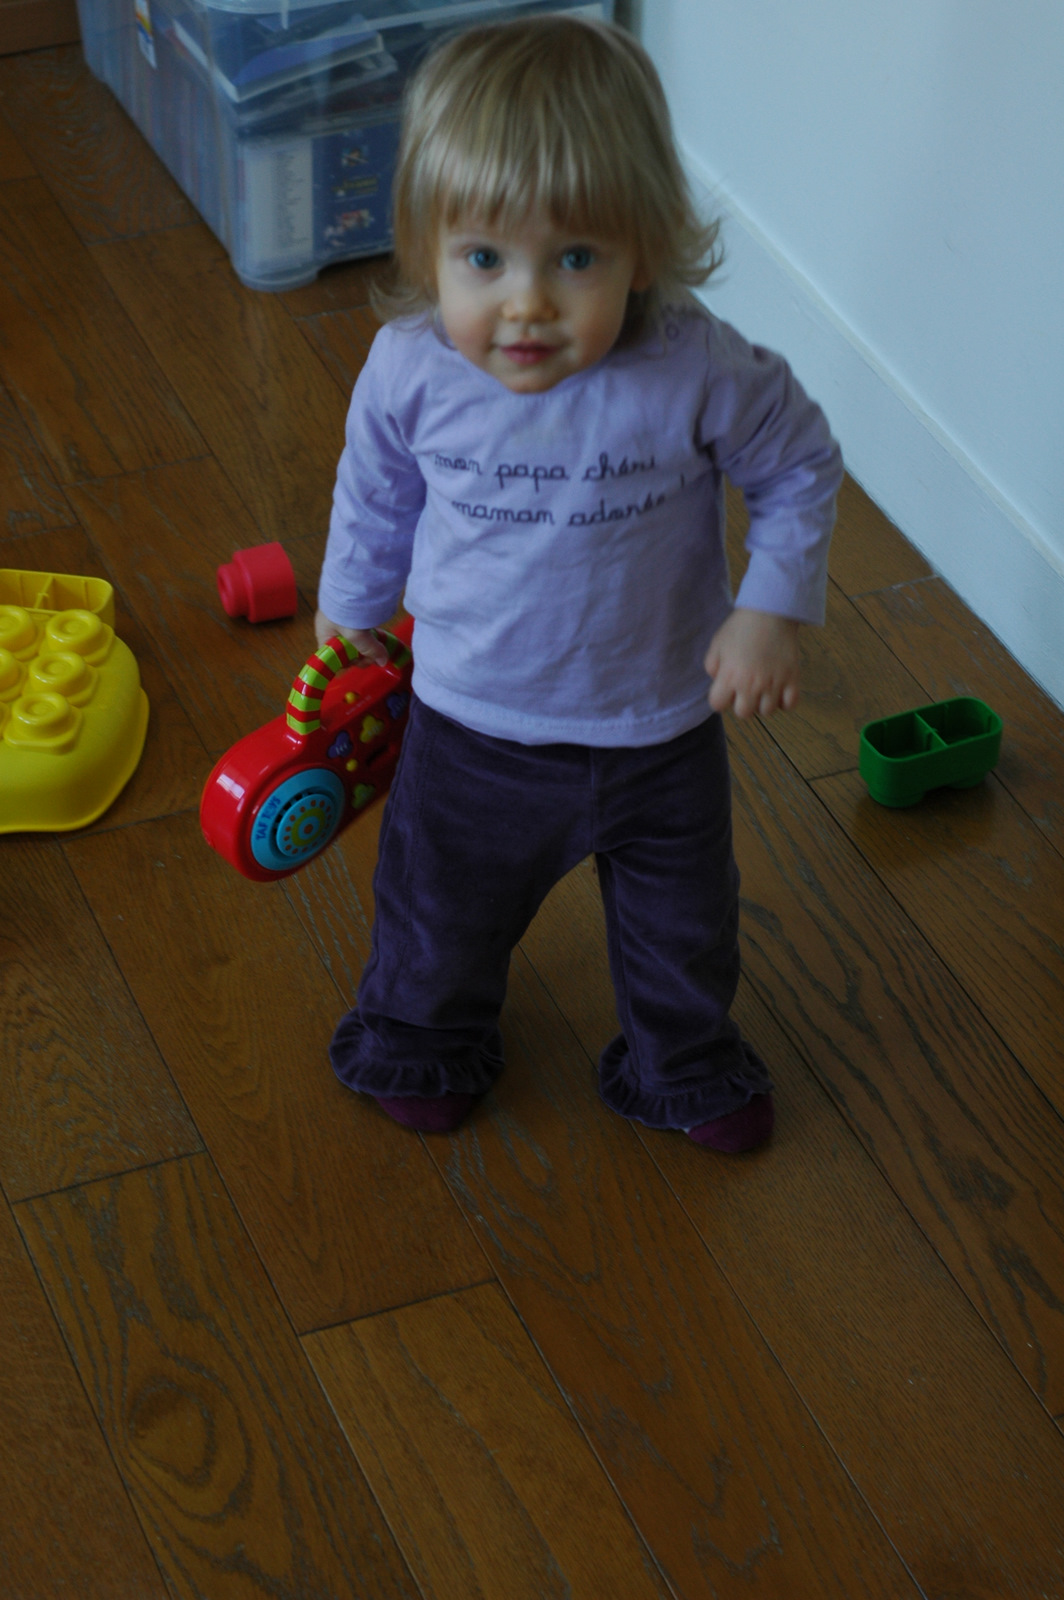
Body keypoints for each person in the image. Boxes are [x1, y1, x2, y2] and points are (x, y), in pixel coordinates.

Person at [315, 14, 842, 1149]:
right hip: (471, 725)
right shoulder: (411, 372)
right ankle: (421, 1036)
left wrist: (770, 606)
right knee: (437, 911)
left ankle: (682, 1062)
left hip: (659, 726)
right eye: (483, 259)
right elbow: (375, 494)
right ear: (426, 245)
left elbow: (797, 464)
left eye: (574, 259)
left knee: (682, 927)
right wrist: (350, 613)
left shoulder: (694, 368)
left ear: (642, 252)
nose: (526, 303)